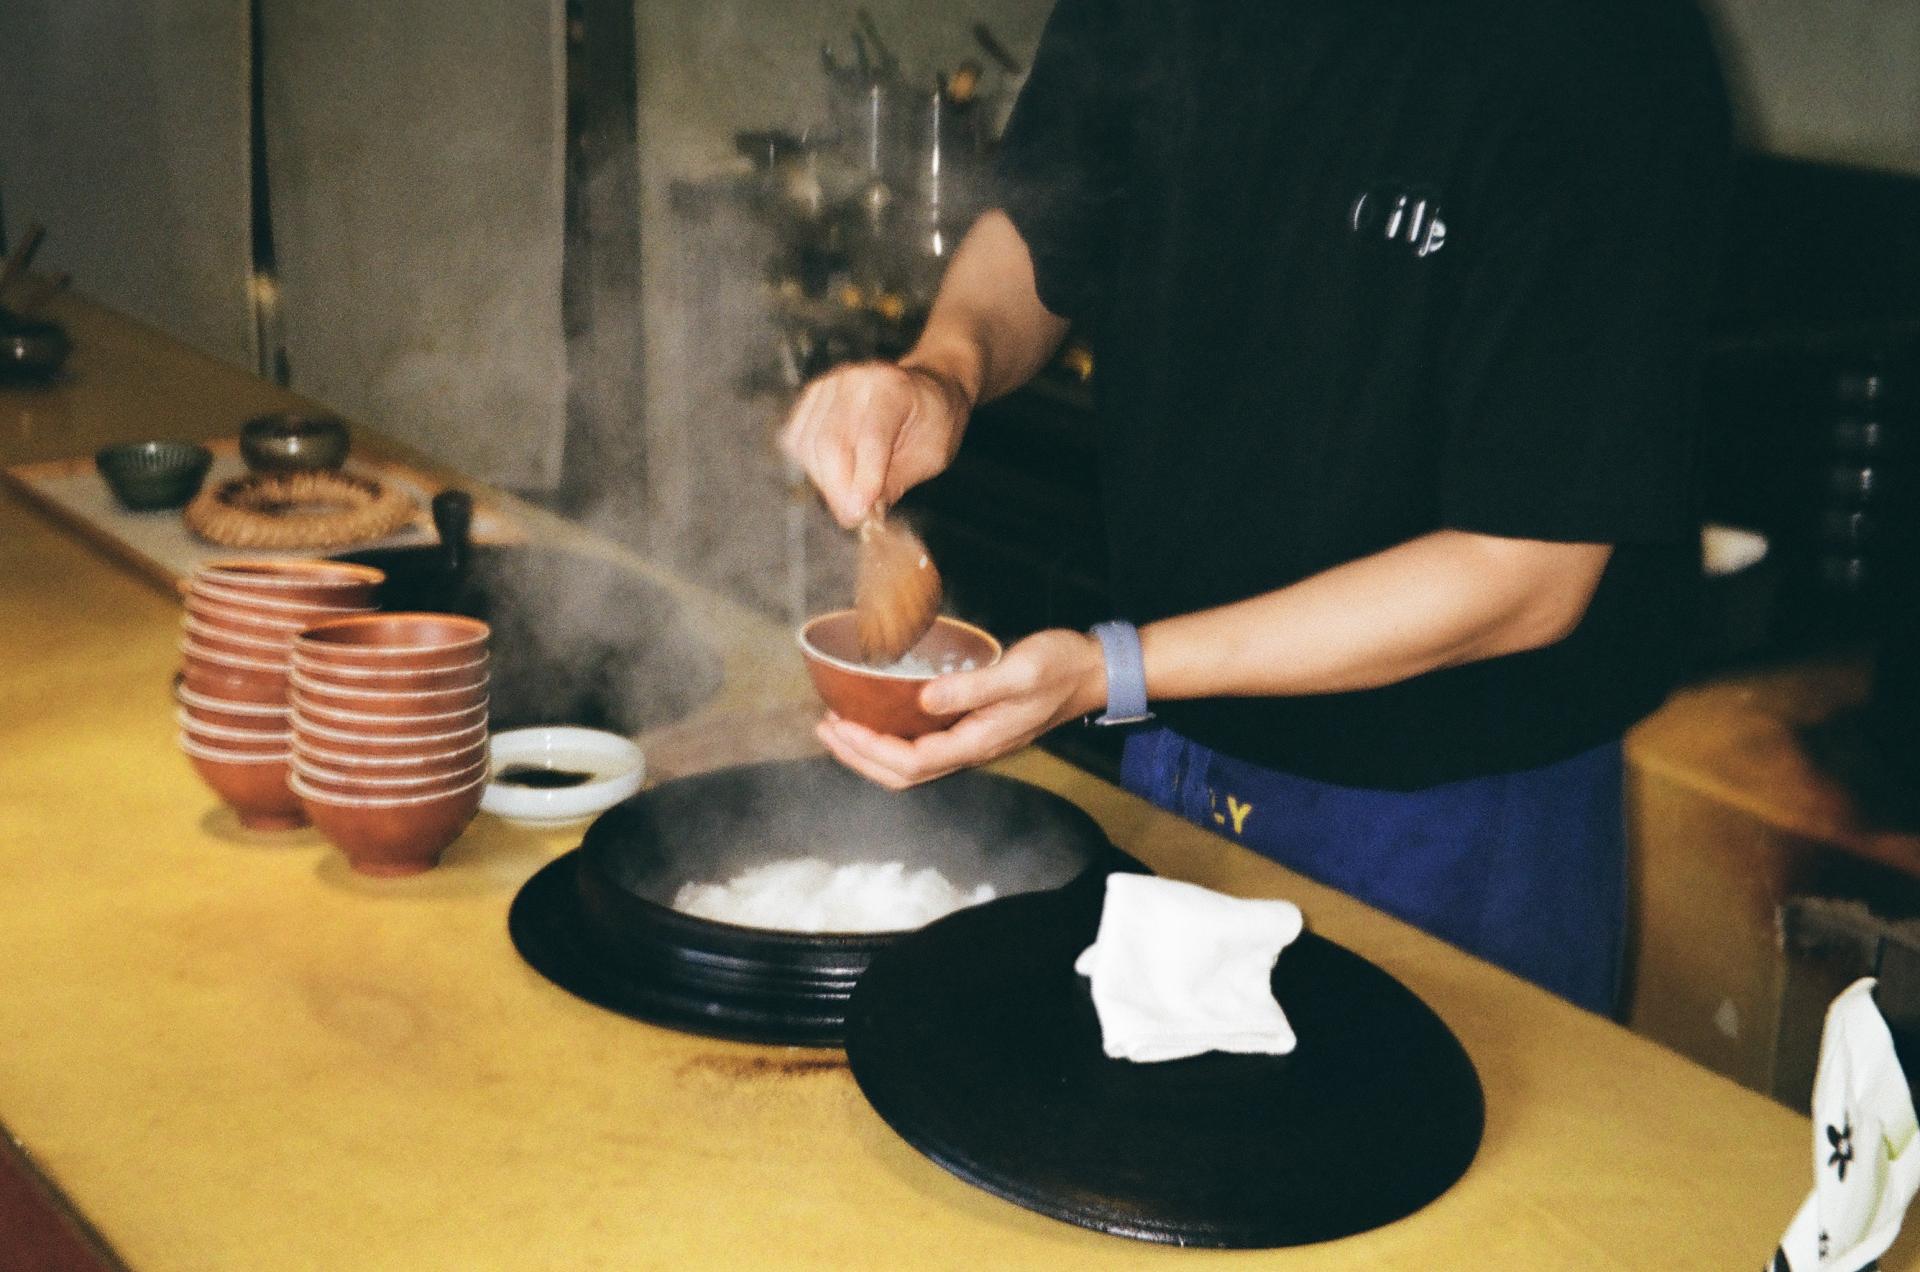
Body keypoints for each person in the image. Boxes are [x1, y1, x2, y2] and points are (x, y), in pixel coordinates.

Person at [779, 0, 1732, 1015]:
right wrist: (944, 373)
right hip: (1171, 737)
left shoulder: (1600, 47)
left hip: (1446, 813)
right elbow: (1045, 223)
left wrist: (1114, 670)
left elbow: (1527, 574)